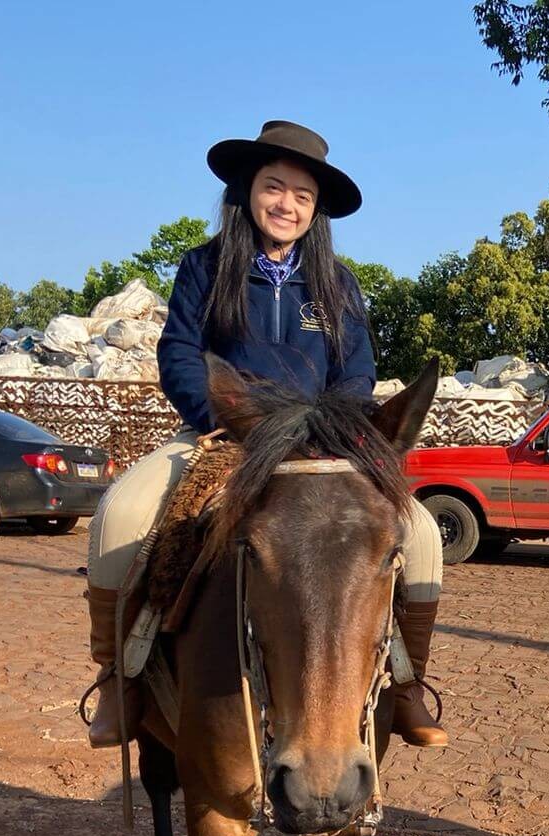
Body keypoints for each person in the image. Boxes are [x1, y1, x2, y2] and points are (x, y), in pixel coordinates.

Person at [83, 120, 447, 750]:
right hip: (224, 434)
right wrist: (222, 419)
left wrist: (331, 429)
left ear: (317, 210)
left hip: (320, 444)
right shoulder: (204, 266)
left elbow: (356, 370)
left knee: (420, 534)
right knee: (122, 511)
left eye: (303, 196)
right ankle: (120, 676)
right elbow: (179, 354)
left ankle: (406, 684)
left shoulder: (338, 283)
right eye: (275, 187)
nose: (287, 204)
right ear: (248, 190)